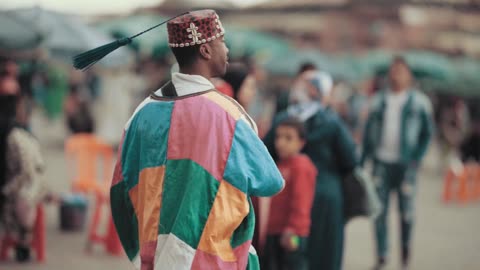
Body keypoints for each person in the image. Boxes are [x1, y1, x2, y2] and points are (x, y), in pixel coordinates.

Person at [108, 10, 284, 270]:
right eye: (222, 42)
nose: (227, 50)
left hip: (154, 259)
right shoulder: (229, 115)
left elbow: (120, 188)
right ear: (205, 50)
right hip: (211, 260)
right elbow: (271, 182)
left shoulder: (141, 113)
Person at [264, 70, 357, 270]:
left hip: (285, 195)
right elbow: (350, 159)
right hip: (326, 198)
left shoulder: (284, 119)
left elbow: (264, 152)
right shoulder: (332, 122)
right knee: (322, 254)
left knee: (290, 254)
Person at [360, 56, 433, 270]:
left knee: (406, 213)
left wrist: (417, 159)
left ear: (409, 75)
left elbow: (428, 134)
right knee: (379, 212)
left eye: (401, 71)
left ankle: (405, 252)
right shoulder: (377, 101)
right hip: (381, 164)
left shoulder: (419, 103)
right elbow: (366, 136)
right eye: (393, 71)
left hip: (406, 166)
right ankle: (382, 255)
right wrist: (363, 163)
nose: (396, 75)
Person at [0, 61, 49, 262]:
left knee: (22, 198)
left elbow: (28, 172)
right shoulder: (15, 134)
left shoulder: (18, 137)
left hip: (20, 183)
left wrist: (6, 189)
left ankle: (23, 241)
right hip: (14, 177)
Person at [262, 117, 317, 270]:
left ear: (301, 142)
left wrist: (292, 230)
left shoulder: (301, 166)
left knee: (293, 263)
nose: (281, 142)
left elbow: (301, 203)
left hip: (292, 235)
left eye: (288, 138)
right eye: (278, 137)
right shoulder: (280, 165)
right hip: (275, 230)